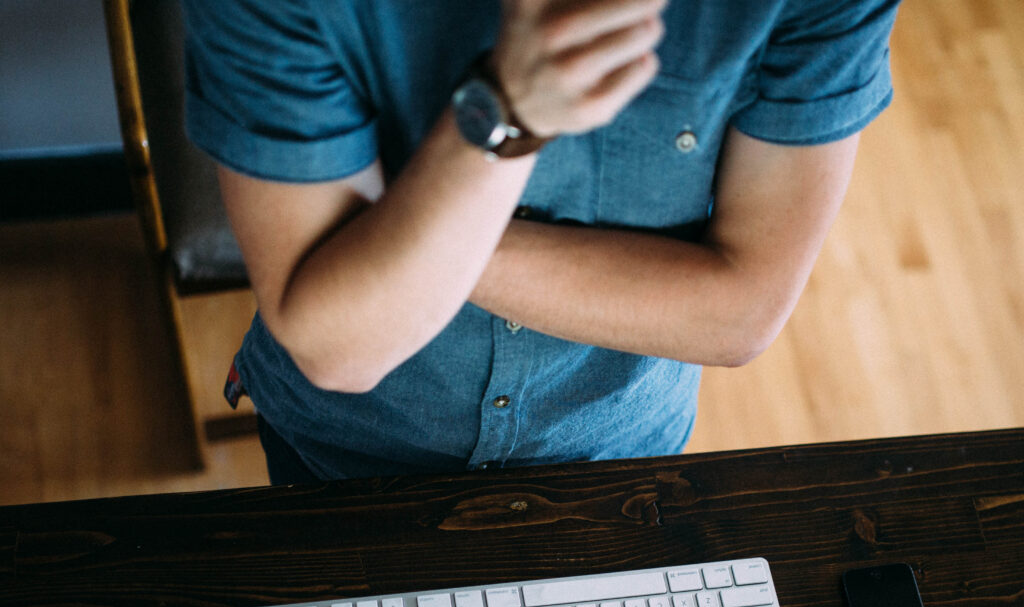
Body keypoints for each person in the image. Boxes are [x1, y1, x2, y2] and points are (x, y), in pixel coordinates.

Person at [182, 0, 901, 483]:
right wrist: (507, 113)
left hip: (620, 452)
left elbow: (740, 312)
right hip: (347, 455)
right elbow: (341, 347)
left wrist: (404, 244)